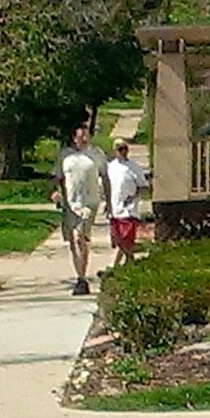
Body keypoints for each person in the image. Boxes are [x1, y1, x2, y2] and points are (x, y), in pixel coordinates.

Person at [51, 124, 110, 296]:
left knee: (79, 239)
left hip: (90, 203)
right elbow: (56, 177)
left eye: (86, 135)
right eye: (80, 136)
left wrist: (109, 201)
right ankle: (80, 277)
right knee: (73, 240)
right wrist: (54, 191)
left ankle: (81, 278)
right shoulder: (65, 156)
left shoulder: (96, 154)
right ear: (74, 137)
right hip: (70, 204)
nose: (83, 138)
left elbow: (105, 178)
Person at [104, 139, 148, 268]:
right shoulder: (109, 167)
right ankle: (130, 265)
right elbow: (104, 187)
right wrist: (107, 204)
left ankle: (115, 266)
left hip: (129, 210)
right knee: (120, 241)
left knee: (126, 240)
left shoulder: (134, 167)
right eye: (119, 149)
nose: (122, 152)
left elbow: (143, 186)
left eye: (124, 148)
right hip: (114, 210)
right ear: (114, 151)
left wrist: (134, 197)